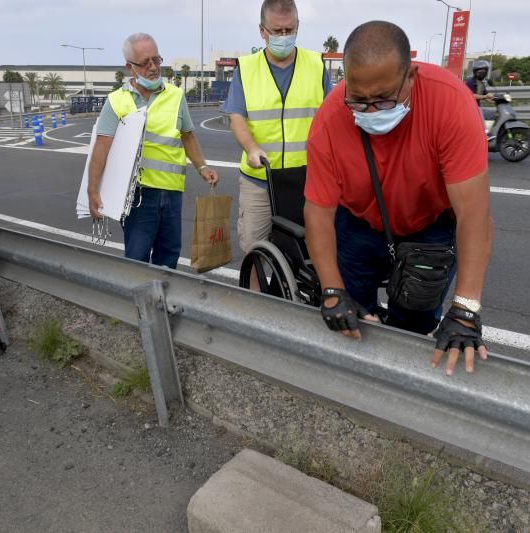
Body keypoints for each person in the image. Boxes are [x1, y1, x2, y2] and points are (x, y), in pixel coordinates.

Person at [304, 21, 493, 375]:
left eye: (385, 98)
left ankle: (401, 387)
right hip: (358, 222)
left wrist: (466, 309)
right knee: (350, 312)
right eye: (359, 101)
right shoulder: (331, 118)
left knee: (416, 323)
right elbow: (317, 212)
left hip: (428, 225)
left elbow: (475, 214)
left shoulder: (450, 104)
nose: (372, 111)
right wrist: (331, 290)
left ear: (411, 76)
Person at [88, 33, 219, 269]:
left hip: (172, 192)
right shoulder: (117, 101)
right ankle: (138, 305)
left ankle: (164, 305)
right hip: (138, 196)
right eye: (145, 62)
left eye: (157, 60)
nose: (153, 67)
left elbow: (188, 135)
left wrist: (202, 166)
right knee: (137, 259)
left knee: (169, 256)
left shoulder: (176, 96)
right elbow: (102, 148)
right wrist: (92, 190)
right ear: (129, 67)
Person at [222, 0, 332, 257]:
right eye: (277, 31)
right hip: (259, 179)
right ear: (263, 31)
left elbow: (332, 117)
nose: (284, 36)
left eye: (289, 30)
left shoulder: (316, 65)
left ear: (297, 27)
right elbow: (236, 116)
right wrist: (251, 148)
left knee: (306, 252)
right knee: (254, 251)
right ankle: (254, 297)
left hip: (305, 180)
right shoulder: (246, 69)